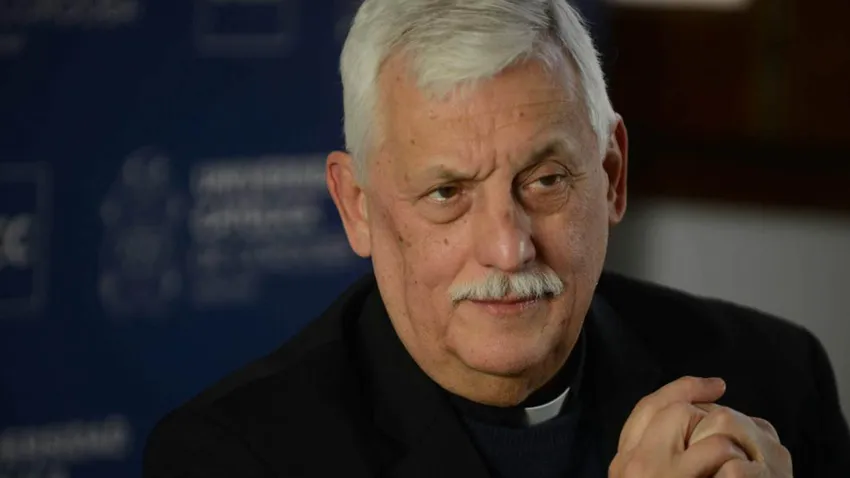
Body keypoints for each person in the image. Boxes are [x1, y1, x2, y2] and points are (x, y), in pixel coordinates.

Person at [143, 1, 850, 476]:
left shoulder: (776, 378)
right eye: (447, 194)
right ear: (357, 207)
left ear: (611, 176)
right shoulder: (232, 457)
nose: (509, 249)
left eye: (545, 181)